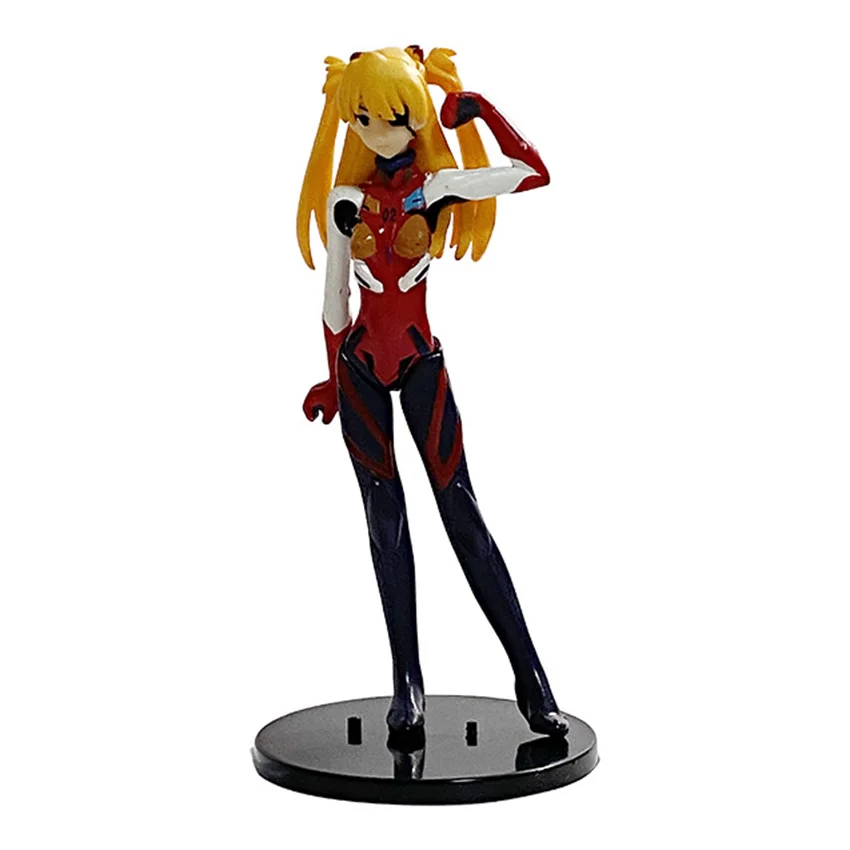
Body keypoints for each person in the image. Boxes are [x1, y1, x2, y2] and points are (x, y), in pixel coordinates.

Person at [297, 47, 569, 738]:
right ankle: (407, 684)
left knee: (463, 515)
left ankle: (532, 678)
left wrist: (481, 110)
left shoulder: (438, 187)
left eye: (390, 117)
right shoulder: (346, 202)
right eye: (362, 117)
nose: (376, 131)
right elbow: (334, 298)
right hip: (360, 367)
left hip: (421, 363)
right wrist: (330, 374)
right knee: (385, 525)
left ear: (414, 115)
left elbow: (533, 172)